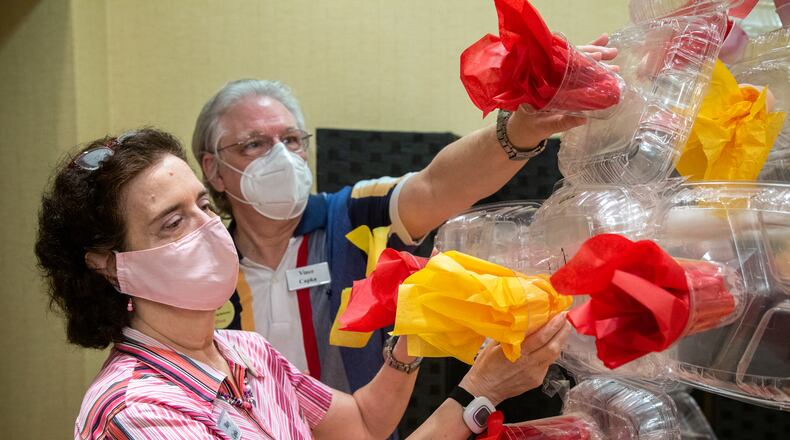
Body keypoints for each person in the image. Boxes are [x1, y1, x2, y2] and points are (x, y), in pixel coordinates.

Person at [35, 129, 571, 439]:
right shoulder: (140, 410)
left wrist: (415, 328)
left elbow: (361, 423)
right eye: (171, 222)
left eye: (202, 206)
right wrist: (480, 392)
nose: (207, 229)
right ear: (109, 264)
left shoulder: (246, 353)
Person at [190, 35, 616, 394]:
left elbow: (438, 185)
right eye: (254, 144)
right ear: (213, 170)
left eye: (291, 139)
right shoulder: (201, 269)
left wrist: (522, 127)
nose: (281, 157)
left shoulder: (353, 213)